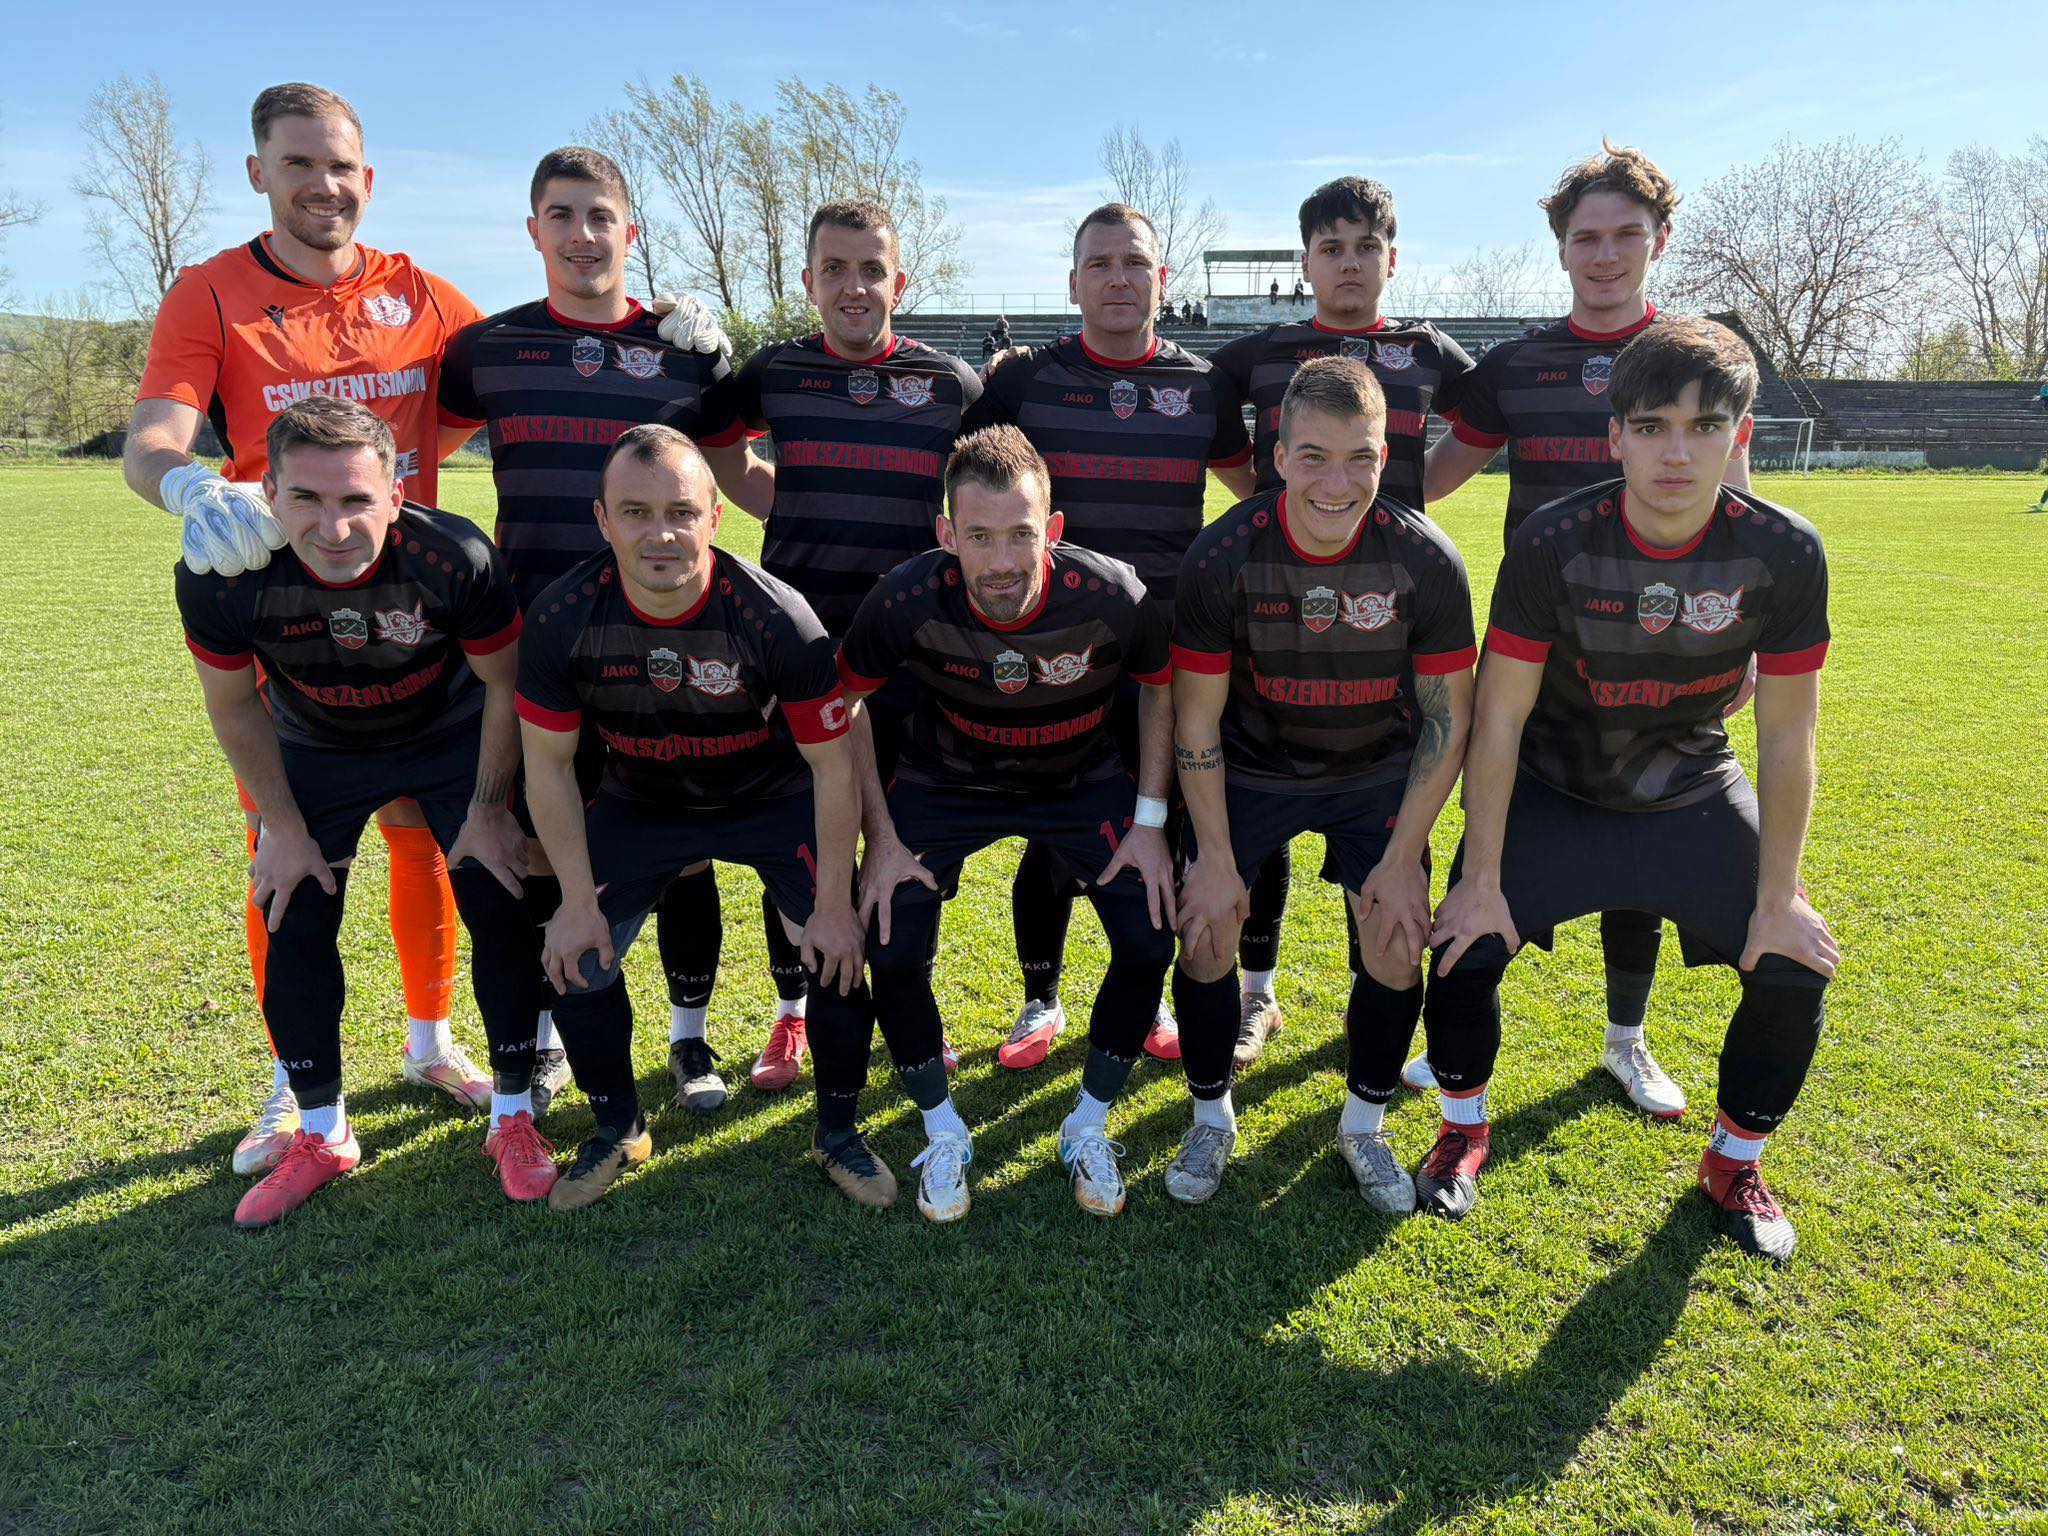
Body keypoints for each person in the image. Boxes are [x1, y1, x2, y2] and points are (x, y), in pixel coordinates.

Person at [125, 82, 489, 1177]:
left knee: (425, 839)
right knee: (283, 852)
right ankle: (292, 1084)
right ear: (258, 174)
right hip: (284, 630)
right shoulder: (212, 292)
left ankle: (430, 1042)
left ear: (366, 179)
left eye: (339, 166)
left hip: (415, 624)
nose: (322, 185)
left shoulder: (423, 294)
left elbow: (529, 367)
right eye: (297, 164)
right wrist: (191, 487)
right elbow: (151, 438)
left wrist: (649, 328)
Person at [1429, 317, 1835, 1259]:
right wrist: (1480, 878)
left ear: (1740, 435)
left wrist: (1778, 897)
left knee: (1793, 963)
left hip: (1689, 784)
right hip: (1555, 782)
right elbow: (1500, 719)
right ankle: (1462, 1130)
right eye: (1651, 427)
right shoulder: (1553, 540)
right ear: (1615, 436)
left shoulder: (1784, 550)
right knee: (1461, 944)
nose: (1675, 453)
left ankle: (1733, 1162)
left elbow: (1787, 735)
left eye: (1704, 427)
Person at [1412, 141, 1751, 1116]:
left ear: (1659, 240)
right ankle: (1454, 1048)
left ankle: (1624, 1041)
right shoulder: (1516, 367)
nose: (1604, 255)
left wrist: (1742, 638)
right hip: (1539, 663)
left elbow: (1738, 506)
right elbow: (1426, 484)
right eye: (1585, 237)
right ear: (1560, 247)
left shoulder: (1701, 359)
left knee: (1642, 853)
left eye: (1624, 236)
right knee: (1493, 847)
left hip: (1669, 657)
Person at [437, 145, 769, 1117]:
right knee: (547, 843)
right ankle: (545, 1042)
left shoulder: (686, 350)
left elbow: (741, 479)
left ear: (631, 232)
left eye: (599, 217)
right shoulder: (484, 350)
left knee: (684, 846)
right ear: (532, 229)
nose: (582, 235)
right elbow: (410, 455)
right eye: (562, 215)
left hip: (666, 640)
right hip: (535, 648)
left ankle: (690, 1037)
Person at [176, 398, 551, 1225]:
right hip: (316, 742)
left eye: (355, 499)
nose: (334, 526)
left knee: (500, 892)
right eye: (306, 499)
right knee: (291, 908)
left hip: (449, 732)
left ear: (396, 494)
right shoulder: (222, 571)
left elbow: (503, 687)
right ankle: (322, 1132)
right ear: (268, 494)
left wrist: (490, 808)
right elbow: (234, 705)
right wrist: (281, 826)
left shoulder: (453, 554)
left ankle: (514, 1115)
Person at [516, 426, 868, 1211]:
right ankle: (618, 1128)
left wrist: (835, 904)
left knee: (838, 949)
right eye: (636, 513)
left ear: (715, 516)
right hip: (644, 801)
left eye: (680, 512)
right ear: (603, 520)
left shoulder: (778, 616)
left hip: (770, 796)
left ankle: (839, 1134)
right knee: (575, 953)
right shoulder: (563, 616)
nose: (661, 534)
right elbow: (547, 766)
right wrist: (574, 901)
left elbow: (831, 765)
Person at [843, 425, 1179, 1219]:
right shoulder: (904, 597)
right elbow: (846, 700)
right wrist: (880, 837)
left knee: (1148, 939)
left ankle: (1087, 1124)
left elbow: (1162, 688)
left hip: (1081, 780)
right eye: (979, 536)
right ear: (946, 534)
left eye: (1021, 534)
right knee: (890, 945)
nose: (1001, 560)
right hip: (948, 781)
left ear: (1052, 529)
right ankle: (943, 1130)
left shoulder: (1111, 595)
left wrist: (1150, 823)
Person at [1167, 356, 1475, 1207]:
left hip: (1374, 772)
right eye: (1313, 457)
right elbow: (1195, 724)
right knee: (1207, 928)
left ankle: (1363, 1126)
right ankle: (1210, 1116)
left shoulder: (1425, 559)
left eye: (1359, 458)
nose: (1337, 484)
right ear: (1276, 455)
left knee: (1395, 935)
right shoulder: (1223, 554)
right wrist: (1216, 860)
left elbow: (1447, 724)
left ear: (1386, 455)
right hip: (1252, 768)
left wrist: (1402, 860)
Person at [964, 202, 1256, 1070]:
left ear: (1162, 280)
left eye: (1134, 263)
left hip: (1169, 652)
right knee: (1051, 830)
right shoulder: (1024, 382)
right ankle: (1040, 998)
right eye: (1100, 264)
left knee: (1157, 826)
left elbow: (1254, 497)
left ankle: (1152, 988)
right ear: (1073, 283)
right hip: (1054, 651)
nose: (1118, 278)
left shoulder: (1204, 386)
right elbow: (963, 481)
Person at [700, 198, 984, 1090]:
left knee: (908, 836)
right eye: (835, 270)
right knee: (799, 837)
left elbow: (989, 483)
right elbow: (724, 454)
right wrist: (789, 505)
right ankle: (793, 1013)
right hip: (799, 649)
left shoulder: (951, 383)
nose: (853, 287)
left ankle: (909, 1004)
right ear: (809, 280)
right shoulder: (776, 370)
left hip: (914, 656)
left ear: (901, 279)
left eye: (870, 269)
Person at [1208, 177, 1477, 1068]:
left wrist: (1415, 497)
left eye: (1366, 247)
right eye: (1331, 248)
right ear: (1306, 261)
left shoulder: (1426, 350)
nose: (1349, 263)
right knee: (1266, 800)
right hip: (1275, 614)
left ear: (1391, 258)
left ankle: (1376, 1008)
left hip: (1387, 620)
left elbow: (1488, 420)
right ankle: (1258, 994)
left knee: (1375, 821)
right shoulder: (1261, 353)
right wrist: (1270, 503)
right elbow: (1215, 430)